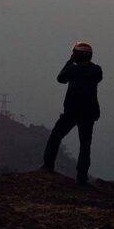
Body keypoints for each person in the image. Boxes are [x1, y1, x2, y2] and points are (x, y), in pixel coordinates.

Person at [41, 42, 103, 185]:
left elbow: (60, 78)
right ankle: (82, 177)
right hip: (89, 112)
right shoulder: (96, 70)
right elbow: (98, 78)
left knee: (56, 136)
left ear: (77, 55)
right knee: (85, 145)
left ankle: (48, 164)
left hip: (72, 111)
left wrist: (70, 61)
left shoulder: (73, 70)